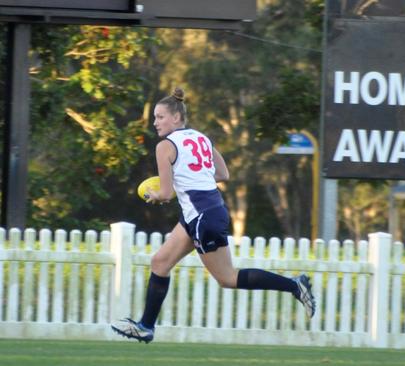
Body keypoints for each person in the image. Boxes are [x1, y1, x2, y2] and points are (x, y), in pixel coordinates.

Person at [111, 87, 316, 343]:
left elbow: (164, 193)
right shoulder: (201, 137)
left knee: (227, 278)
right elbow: (223, 174)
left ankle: (294, 285)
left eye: (160, 117)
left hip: (202, 217)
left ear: (176, 118)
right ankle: (146, 326)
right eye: (155, 118)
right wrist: (188, 181)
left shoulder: (165, 146)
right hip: (204, 212)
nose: (155, 122)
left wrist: (156, 196)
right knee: (160, 262)